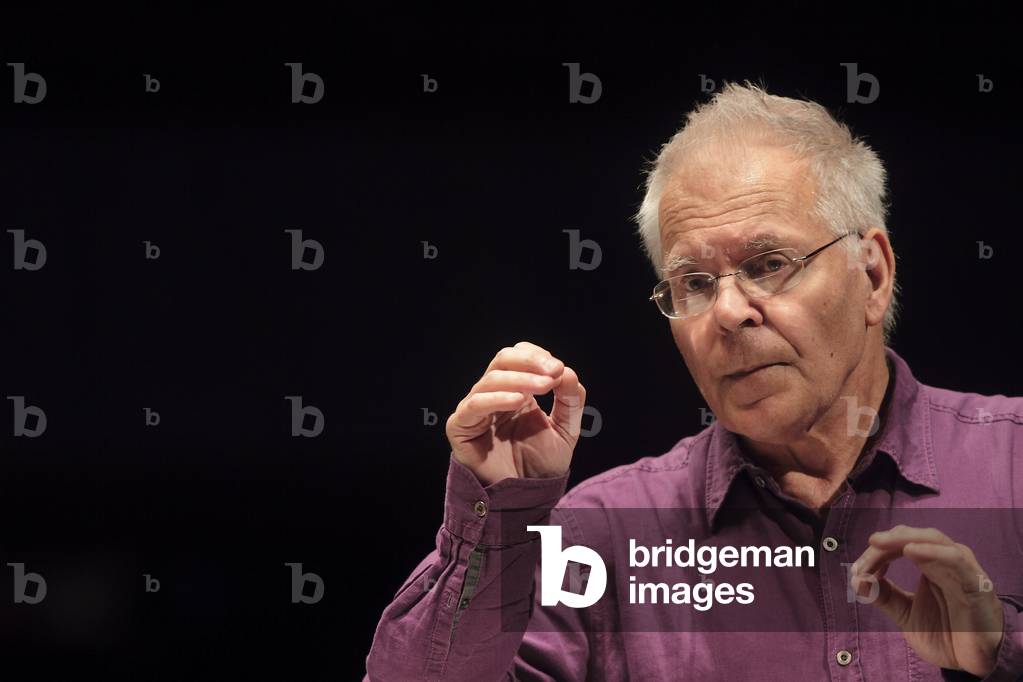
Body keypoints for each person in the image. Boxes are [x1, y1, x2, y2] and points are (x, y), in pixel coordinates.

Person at [363, 81, 1023, 681]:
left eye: (767, 264)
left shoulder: (1011, 464)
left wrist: (1002, 647)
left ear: (872, 275)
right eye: (695, 283)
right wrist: (500, 516)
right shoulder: (605, 537)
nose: (728, 312)